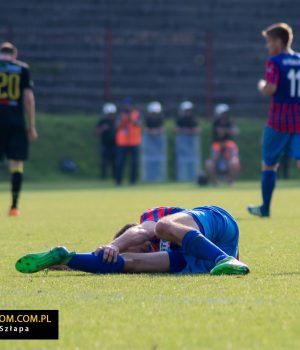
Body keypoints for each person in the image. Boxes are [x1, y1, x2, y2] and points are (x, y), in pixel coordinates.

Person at [15, 205, 250, 276]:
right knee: (129, 264)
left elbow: (143, 231)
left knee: (163, 226)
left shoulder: (148, 220)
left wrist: (115, 245)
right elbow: (129, 260)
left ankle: (225, 258)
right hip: (200, 264)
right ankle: (67, 255)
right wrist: (69, 262)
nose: (146, 251)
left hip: (218, 225)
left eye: (136, 246)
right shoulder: (165, 257)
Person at [248, 23, 300, 218]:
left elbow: (271, 88)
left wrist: (261, 85)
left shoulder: (274, 61)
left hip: (278, 122)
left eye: (269, 41)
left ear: (278, 41)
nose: (267, 46)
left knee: (269, 165)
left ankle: (265, 208)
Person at [0, 42, 37, 216]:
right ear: (14, 55)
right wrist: (31, 126)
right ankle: (14, 206)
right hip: (15, 122)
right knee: (16, 163)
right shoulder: (22, 68)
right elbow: (28, 98)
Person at [205, 104, 240, 185]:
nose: (223, 115)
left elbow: (236, 131)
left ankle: (230, 181)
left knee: (234, 162)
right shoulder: (215, 124)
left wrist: (225, 131)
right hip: (219, 159)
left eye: (225, 113)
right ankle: (214, 182)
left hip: (228, 159)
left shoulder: (230, 123)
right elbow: (214, 158)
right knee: (209, 164)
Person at [115, 98, 141, 185]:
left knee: (134, 162)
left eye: (128, 104)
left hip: (134, 141)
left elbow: (139, 123)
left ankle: (133, 181)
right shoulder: (120, 115)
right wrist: (123, 120)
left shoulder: (136, 114)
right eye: (125, 105)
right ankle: (118, 181)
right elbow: (117, 125)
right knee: (120, 162)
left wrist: (131, 118)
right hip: (122, 142)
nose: (126, 106)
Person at [175, 101, 201, 181]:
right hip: (182, 146)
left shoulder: (194, 119)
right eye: (186, 110)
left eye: (189, 110)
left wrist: (186, 131)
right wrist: (187, 131)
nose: (188, 112)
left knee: (193, 162)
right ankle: (182, 178)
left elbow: (198, 130)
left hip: (192, 146)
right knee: (182, 162)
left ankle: (193, 177)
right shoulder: (180, 120)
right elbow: (175, 130)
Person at [141, 101, 167, 182]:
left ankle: (158, 177)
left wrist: (155, 132)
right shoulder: (147, 119)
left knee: (158, 162)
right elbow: (145, 128)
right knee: (149, 163)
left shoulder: (160, 119)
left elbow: (162, 129)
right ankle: (149, 178)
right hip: (149, 148)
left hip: (158, 147)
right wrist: (151, 132)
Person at [95, 103, 117, 179]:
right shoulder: (102, 122)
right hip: (105, 145)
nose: (110, 115)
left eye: (111, 114)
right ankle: (103, 177)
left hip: (115, 144)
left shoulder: (116, 122)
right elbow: (96, 132)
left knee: (115, 162)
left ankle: (115, 176)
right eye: (109, 114)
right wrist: (102, 129)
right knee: (104, 162)